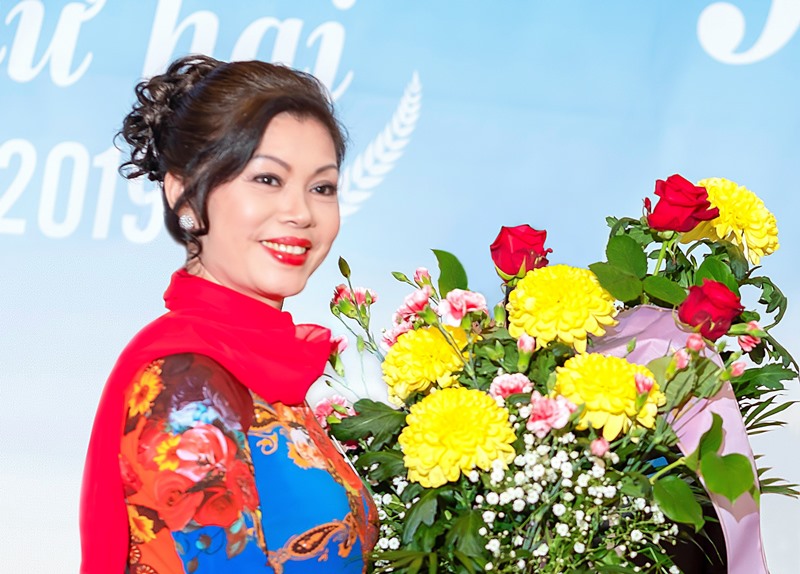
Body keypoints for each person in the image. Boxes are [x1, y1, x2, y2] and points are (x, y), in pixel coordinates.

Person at [80, 54, 378, 573]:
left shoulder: (256, 371)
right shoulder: (184, 381)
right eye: (267, 179)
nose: (300, 212)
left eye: (321, 187)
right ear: (185, 193)